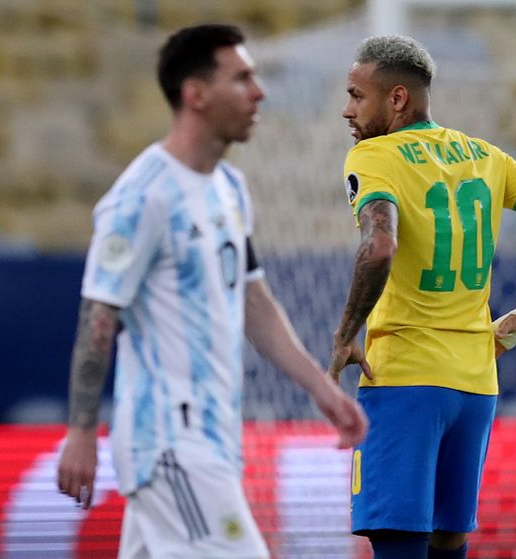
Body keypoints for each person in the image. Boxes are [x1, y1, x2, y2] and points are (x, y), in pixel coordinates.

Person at [56, 23, 368, 559]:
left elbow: (254, 302)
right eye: (242, 78)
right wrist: (81, 432)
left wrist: (321, 390)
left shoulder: (229, 189)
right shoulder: (141, 196)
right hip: (171, 444)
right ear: (195, 94)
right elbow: (98, 315)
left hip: (215, 439)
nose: (259, 92)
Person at [328, 35, 516, 559]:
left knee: (399, 544)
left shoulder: (374, 156)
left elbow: (380, 246)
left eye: (356, 95)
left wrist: (344, 336)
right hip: (476, 384)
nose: (347, 110)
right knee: (450, 542)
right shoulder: (482, 155)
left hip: (404, 379)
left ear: (398, 98)